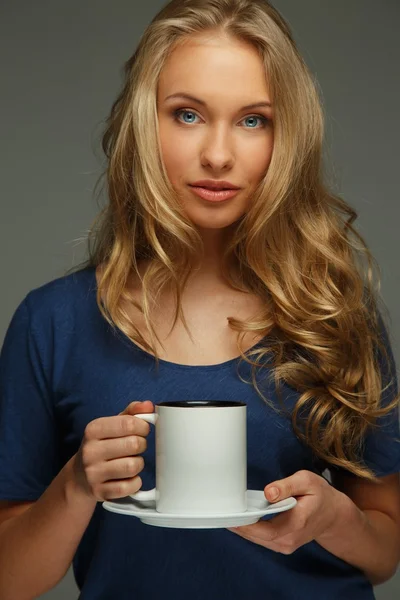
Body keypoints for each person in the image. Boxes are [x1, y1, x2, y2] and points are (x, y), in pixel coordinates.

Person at [0, 0, 399, 598]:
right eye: (187, 115)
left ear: (284, 136)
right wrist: (74, 488)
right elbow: (9, 580)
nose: (218, 154)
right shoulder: (52, 323)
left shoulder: (333, 313)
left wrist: (336, 519)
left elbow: (384, 551)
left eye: (252, 120)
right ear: (144, 123)